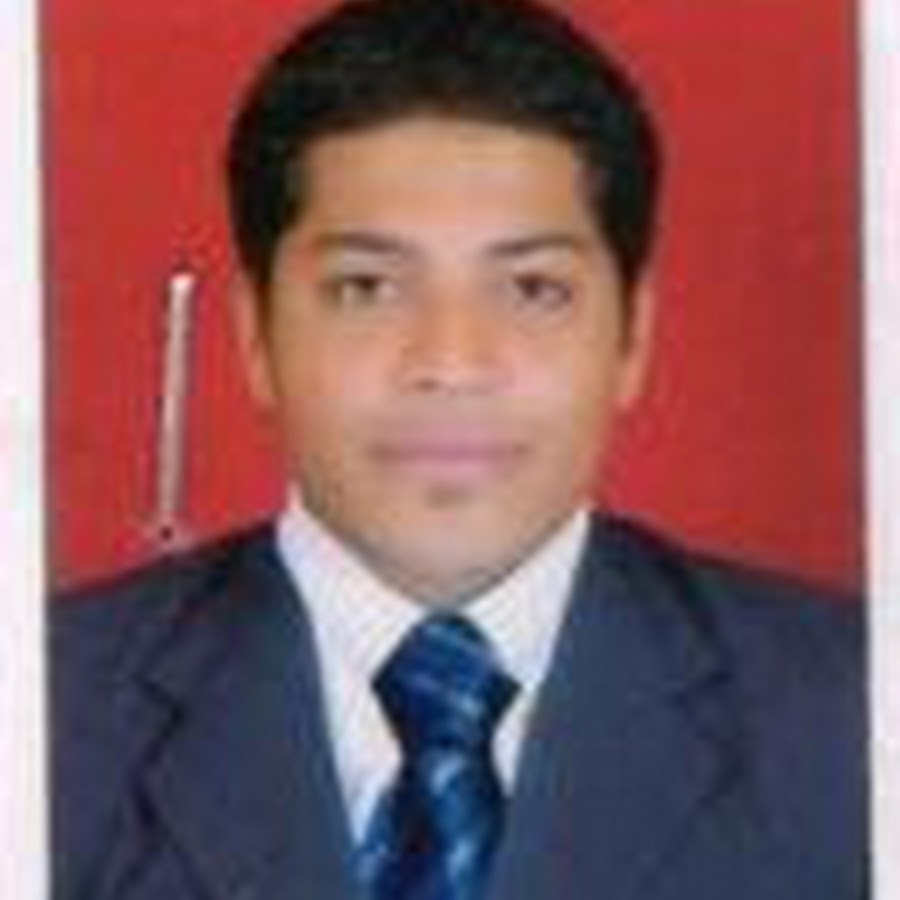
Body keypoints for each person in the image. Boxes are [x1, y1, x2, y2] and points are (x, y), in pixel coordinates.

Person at [51, 0, 867, 898]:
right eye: (366, 287)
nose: (451, 364)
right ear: (255, 336)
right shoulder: (45, 708)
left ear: (633, 336)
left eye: (533, 288)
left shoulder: (850, 714)